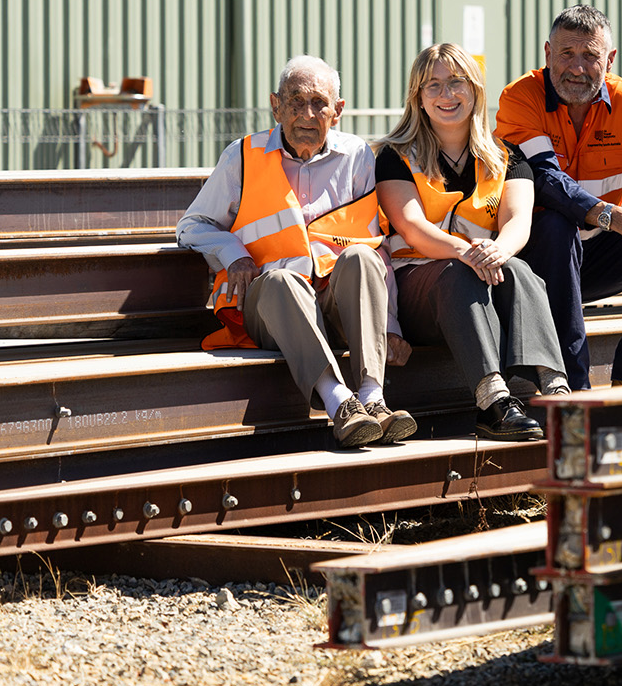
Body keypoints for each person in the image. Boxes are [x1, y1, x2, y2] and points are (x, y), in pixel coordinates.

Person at [177, 55, 416, 448]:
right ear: (275, 106)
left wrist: (390, 325)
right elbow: (191, 226)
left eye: (319, 103)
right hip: (270, 307)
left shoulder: (357, 157)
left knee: (362, 257)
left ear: (338, 111)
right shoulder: (242, 155)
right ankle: (339, 402)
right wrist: (233, 251)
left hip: (333, 303)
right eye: (295, 101)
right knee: (283, 279)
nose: (307, 114)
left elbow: (378, 246)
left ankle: (373, 398)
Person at [496, 4, 622, 390]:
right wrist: (619, 219)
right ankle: (572, 383)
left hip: (591, 257)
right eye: (566, 54)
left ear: (609, 60)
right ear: (547, 54)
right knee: (556, 226)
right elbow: (545, 180)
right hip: (535, 261)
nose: (576, 68)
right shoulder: (520, 98)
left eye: (590, 56)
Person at [372, 44, 570, 442]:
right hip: (418, 290)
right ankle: (493, 402)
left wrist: (500, 249)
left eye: (456, 82)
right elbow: (410, 226)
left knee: (519, 267)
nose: (447, 95)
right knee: (457, 272)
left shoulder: (507, 156)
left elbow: (517, 220)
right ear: (418, 98)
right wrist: (467, 251)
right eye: (434, 85)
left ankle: (556, 390)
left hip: (482, 280)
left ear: (476, 89)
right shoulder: (394, 156)